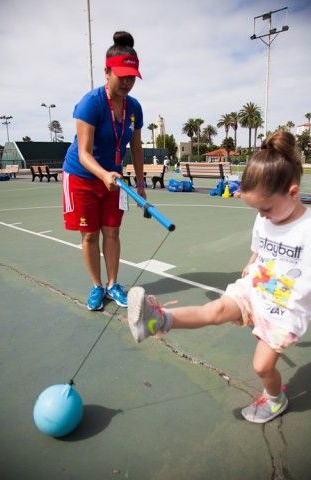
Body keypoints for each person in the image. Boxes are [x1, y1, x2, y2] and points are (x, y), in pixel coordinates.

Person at [127, 130, 311, 424]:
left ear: (292, 191)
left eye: (265, 208)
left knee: (262, 367)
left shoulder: (307, 229)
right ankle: (156, 320)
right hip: (257, 287)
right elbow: (258, 250)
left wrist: (265, 304)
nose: (261, 216)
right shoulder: (264, 218)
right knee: (213, 310)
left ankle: (276, 400)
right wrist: (251, 267)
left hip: (284, 307)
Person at [63, 31, 145, 311]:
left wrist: (142, 185)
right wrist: (104, 175)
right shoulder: (91, 103)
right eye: (122, 75)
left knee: (112, 232)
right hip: (82, 176)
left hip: (115, 180)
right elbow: (85, 153)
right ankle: (97, 286)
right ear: (106, 72)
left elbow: (136, 148)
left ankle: (113, 284)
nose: (127, 82)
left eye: (132, 76)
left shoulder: (134, 108)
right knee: (89, 235)